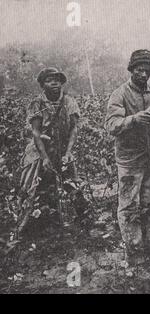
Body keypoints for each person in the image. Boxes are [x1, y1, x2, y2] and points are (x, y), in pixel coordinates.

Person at [105, 49, 150, 266]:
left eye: (147, 70)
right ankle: (134, 248)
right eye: (139, 70)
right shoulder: (119, 95)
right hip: (130, 159)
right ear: (131, 70)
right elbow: (111, 125)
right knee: (129, 204)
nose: (144, 74)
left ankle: (149, 243)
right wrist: (134, 119)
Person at [18, 67, 88, 232]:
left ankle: (84, 217)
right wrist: (44, 158)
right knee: (39, 186)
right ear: (43, 85)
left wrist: (69, 152)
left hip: (63, 148)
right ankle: (39, 224)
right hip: (41, 149)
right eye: (49, 80)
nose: (54, 83)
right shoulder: (37, 104)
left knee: (72, 182)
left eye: (57, 79)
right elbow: (36, 133)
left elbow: (74, 129)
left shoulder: (69, 102)